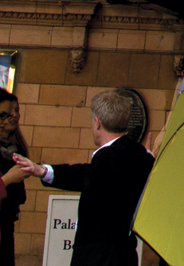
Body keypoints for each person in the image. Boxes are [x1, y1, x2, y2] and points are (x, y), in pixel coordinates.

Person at [14, 89, 154, 266]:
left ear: (97, 123)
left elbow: (84, 175)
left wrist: (43, 171)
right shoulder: (140, 156)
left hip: (99, 256)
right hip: (125, 253)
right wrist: (148, 155)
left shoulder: (109, 157)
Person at [0, 91, 30, 266]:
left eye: (16, 111)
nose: (14, 117)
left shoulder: (13, 146)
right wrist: (9, 179)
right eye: (4, 114)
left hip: (6, 219)